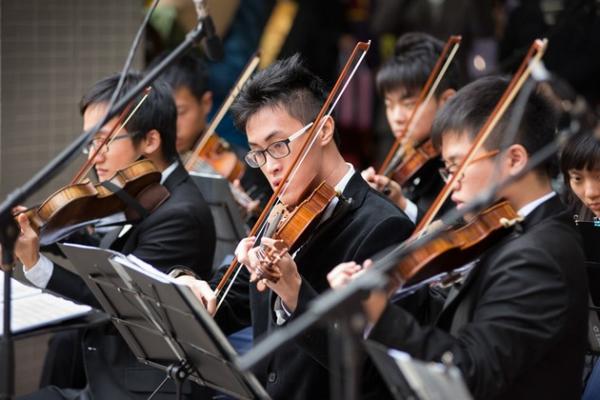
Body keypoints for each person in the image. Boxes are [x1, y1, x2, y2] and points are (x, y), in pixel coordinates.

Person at [329, 76, 588, 399]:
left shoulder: (537, 255)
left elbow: (471, 372)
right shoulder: (512, 230)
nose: (452, 184)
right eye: (447, 170)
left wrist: (383, 316)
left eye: (457, 166)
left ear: (514, 159)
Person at [175, 54, 414, 400]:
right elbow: (231, 299)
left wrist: (295, 295)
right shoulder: (279, 215)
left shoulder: (385, 227)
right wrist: (193, 286)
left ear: (323, 130)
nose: (269, 167)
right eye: (258, 153)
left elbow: (371, 370)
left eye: (278, 146)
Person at [13, 72, 216, 400]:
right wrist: (44, 228)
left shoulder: (181, 215)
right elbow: (111, 257)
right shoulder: (140, 190)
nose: (95, 155)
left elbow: (114, 295)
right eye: (90, 142)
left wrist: (36, 263)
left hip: (147, 388)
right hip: (110, 378)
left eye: (105, 140)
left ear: (150, 141)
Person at [362, 32, 461, 223]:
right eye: (389, 105)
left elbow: (453, 234)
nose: (396, 118)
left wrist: (402, 204)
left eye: (409, 105)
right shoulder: (408, 154)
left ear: (447, 100)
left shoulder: (456, 164)